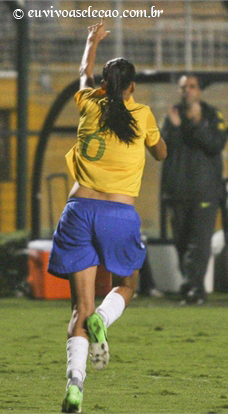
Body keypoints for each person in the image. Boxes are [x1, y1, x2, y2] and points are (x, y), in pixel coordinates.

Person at [48, 19, 167, 413]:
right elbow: (161, 153)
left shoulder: (88, 103)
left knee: (76, 311)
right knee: (127, 284)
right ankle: (103, 317)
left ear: (103, 84)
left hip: (78, 209)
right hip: (118, 214)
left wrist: (91, 42)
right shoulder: (143, 114)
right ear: (131, 87)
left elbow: (82, 75)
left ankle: (75, 387)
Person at [160, 74, 227, 305]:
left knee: (199, 242)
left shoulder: (211, 115)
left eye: (192, 86)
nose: (187, 91)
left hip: (204, 191)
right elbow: (163, 149)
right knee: (181, 242)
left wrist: (196, 124)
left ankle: (196, 289)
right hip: (177, 191)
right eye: (183, 87)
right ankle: (189, 284)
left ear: (199, 90)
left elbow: (216, 144)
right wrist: (177, 128)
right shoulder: (172, 117)